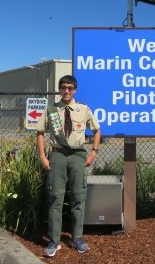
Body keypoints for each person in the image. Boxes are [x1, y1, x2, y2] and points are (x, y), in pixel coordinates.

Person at [36, 75, 100, 258]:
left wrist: (93, 152)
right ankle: (54, 241)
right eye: (63, 87)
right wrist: (42, 156)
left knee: (79, 197)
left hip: (78, 156)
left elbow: (96, 130)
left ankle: (77, 238)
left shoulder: (83, 109)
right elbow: (40, 132)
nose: (66, 91)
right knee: (55, 197)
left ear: (75, 90)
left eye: (70, 88)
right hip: (57, 156)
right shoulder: (51, 110)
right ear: (59, 89)